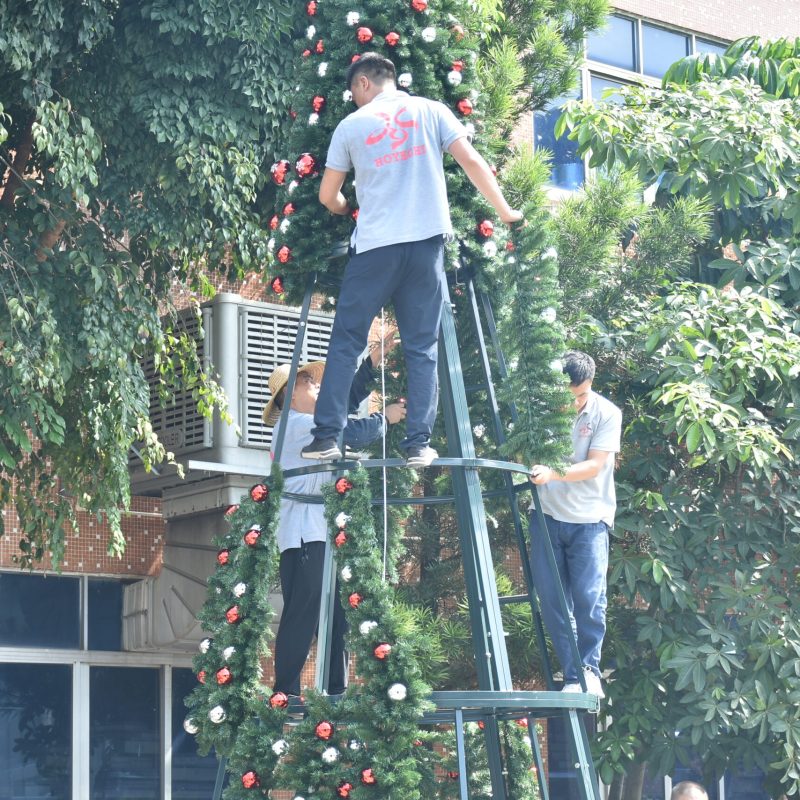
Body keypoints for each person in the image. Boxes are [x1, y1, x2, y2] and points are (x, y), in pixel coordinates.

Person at [301, 52, 523, 468]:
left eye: (354, 92)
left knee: (347, 341)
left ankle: (326, 437)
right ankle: (418, 445)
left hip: (374, 249)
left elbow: (328, 196)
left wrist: (345, 205)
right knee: (422, 347)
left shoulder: (351, 126)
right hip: (425, 245)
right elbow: (472, 162)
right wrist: (506, 212)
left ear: (364, 83)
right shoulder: (431, 111)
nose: (354, 100)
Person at [264, 334, 405, 699]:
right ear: (290, 396)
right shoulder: (292, 426)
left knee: (338, 609)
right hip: (304, 533)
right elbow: (348, 433)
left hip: (323, 529)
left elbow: (341, 404)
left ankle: (335, 688)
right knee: (306, 606)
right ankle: (288, 691)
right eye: (308, 383)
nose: (316, 387)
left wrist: (371, 363)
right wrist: (383, 420)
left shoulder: (308, 421)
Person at [528, 351, 622, 699]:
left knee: (589, 597)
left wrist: (552, 473)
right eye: (570, 394)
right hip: (547, 516)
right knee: (553, 600)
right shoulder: (540, 408)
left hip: (590, 520)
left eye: (581, 394)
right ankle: (573, 675)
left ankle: (589, 670)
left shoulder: (607, 413)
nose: (576, 401)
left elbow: (595, 466)